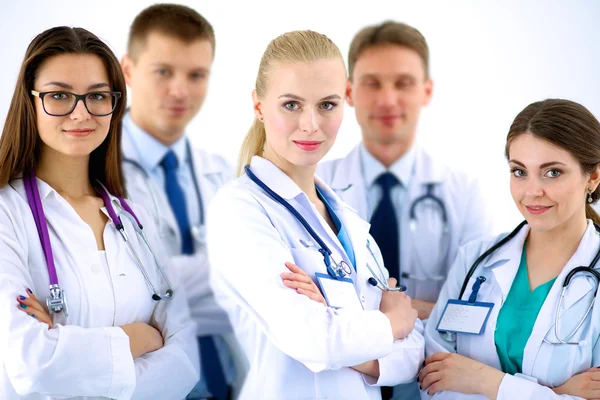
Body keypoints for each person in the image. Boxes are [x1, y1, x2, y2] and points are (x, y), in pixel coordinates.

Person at [207, 29, 424, 400]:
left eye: (327, 105)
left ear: (345, 103)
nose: (311, 124)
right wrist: (391, 323)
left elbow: (413, 355)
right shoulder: (238, 210)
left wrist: (344, 327)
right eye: (291, 105)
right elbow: (310, 339)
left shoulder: (350, 221)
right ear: (259, 106)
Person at [0, 26, 198, 399]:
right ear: (30, 101)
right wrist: (140, 337)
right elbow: (33, 365)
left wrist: (68, 345)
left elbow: (187, 358)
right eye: (59, 96)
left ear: (114, 104)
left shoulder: (136, 219)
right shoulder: (7, 214)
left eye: (97, 96)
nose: (81, 113)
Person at [316, 22, 493, 398]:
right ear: (348, 92)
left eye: (404, 83)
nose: (387, 99)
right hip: (342, 380)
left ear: (426, 91)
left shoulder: (463, 192)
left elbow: (476, 313)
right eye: (372, 83)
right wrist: (420, 311)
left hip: (432, 382)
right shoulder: (315, 186)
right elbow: (302, 305)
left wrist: (366, 312)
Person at [420, 99, 600, 400]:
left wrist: (486, 382)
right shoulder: (475, 261)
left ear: (593, 177)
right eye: (519, 172)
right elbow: (433, 382)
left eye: (552, 172)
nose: (532, 191)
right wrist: (553, 394)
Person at [119, 4, 240, 399]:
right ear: (128, 70)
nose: (180, 91)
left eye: (196, 75)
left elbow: (263, 281)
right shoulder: (94, 174)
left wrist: (176, 282)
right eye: (163, 72)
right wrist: (226, 278)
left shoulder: (225, 174)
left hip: (232, 380)